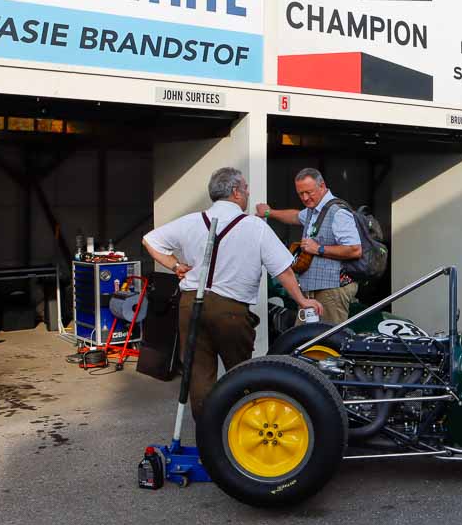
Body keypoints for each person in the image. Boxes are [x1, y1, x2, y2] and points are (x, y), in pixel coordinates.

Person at [142, 167, 322, 421]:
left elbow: (149, 240)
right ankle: (240, 432)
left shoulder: (191, 221)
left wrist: (174, 265)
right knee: (241, 374)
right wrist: (303, 300)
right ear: (236, 192)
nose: (248, 192)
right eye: (246, 188)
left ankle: (208, 436)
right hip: (230, 311)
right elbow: (283, 270)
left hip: (190, 306)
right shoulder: (254, 227)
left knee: (198, 375)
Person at [258, 168, 362, 325]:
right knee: (304, 339)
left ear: (322, 186)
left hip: (332, 290)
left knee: (326, 341)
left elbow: (355, 249)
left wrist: (319, 249)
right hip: (312, 290)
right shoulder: (313, 210)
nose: (305, 198)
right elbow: (295, 216)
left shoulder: (338, 212)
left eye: (309, 192)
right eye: (301, 194)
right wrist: (269, 213)